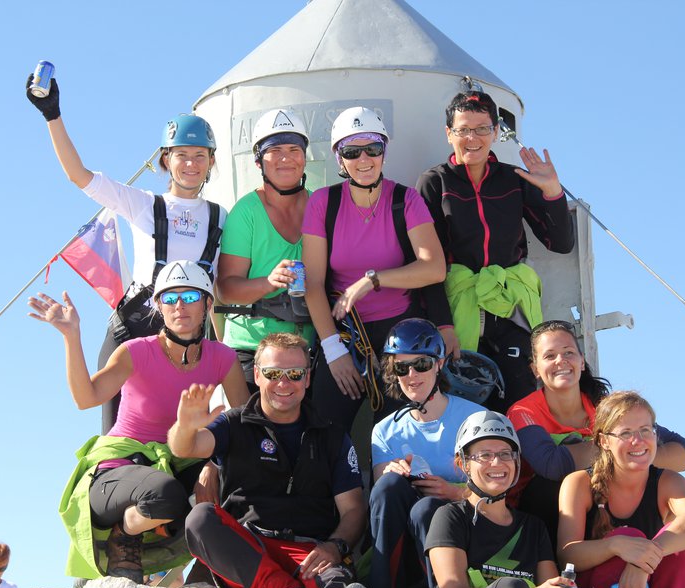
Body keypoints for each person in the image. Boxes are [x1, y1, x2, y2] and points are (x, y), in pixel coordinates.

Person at [27, 75, 227, 433]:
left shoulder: (220, 217)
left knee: (192, 440)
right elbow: (79, 176)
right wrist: (52, 115)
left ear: (211, 161)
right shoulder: (144, 205)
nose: (192, 164)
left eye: (200, 156)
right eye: (182, 155)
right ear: (166, 160)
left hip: (191, 339)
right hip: (134, 332)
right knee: (116, 434)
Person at [30, 260, 248, 583]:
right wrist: (71, 336)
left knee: (240, 478)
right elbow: (85, 397)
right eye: (170, 298)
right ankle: (122, 534)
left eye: (190, 297)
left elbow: (245, 424)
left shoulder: (222, 358)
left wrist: (213, 465)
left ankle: (209, 568)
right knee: (167, 495)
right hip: (117, 471)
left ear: (207, 304)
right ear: (159, 306)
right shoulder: (135, 351)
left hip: (179, 459)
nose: (180, 307)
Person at [168, 333, 374, 588]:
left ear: (308, 378)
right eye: (273, 373)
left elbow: (353, 510)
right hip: (248, 551)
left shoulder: (333, 436)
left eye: (294, 374)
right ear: (257, 374)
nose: (283, 383)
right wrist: (185, 427)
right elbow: (185, 446)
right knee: (200, 519)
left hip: (308, 553)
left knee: (336, 582)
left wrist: (335, 546)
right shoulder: (233, 423)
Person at [416, 90, 576, 413]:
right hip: (459, 310)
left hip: (510, 311)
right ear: (449, 134)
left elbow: (560, 242)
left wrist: (553, 192)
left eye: (482, 129)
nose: (472, 138)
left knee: (519, 409)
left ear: (494, 133)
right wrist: (444, 327)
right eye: (463, 130)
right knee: (460, 411)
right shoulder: (434, 183)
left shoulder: (512, 180)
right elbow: (428, 265)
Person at [302, 106, 446, 432]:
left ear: (384, 151)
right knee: (324, 433)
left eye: (373, 148)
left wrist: (373, 280)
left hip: (400, 335)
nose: (363, 159)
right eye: (352, 151)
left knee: (403, 434)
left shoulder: (406, 200)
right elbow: (313, 283)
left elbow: (434, 267)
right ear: (340, 159)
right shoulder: (323, 203)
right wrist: (333, 352)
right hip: (344, 333)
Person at [507, 320, 685, 547]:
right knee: (553, 486)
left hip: (607, 506)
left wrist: (633, 452)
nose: (561, 361)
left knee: (650, 482)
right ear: (535, 369)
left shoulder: (606, 409)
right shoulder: (523, 411)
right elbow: (552, 465)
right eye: (550, 356)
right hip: (540, 516)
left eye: (569, 352)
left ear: (582, 362)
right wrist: (625, 451)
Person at [558, 391, 685, 588]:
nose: (638, 441)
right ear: (604, 441)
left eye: (645, 431)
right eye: (626, 433)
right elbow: (567, 555)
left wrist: (644, 560)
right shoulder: (580, 482)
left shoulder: (667, 481)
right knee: (629, 536)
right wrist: (616, 545)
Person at [367, 319, 486, 588]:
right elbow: (383, 497)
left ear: (439, 364)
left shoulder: (476, 418)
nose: (412, 375)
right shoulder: (384, 429)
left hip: (465, 532)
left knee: (428, 510)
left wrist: (454, 492)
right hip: (408, 540)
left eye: (421, 364)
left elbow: (499, 491)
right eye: (401, 368)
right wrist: (391, 471)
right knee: (387, 486)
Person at [422, 411, 576, 588]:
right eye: (484, 455)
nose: (497, 462)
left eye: (506, 454)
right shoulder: (450, 517)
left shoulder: (533, 528)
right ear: (464, 464)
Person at [216, 108, 315, 393]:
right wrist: (268, 283)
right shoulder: (246, 213)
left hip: (305, 349)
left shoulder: (318, 207)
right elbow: (226, 289)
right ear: (259, 160)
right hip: (251, 348)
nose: (286, 158)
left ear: (304, 157)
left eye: (294, 148)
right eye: (275, 150)